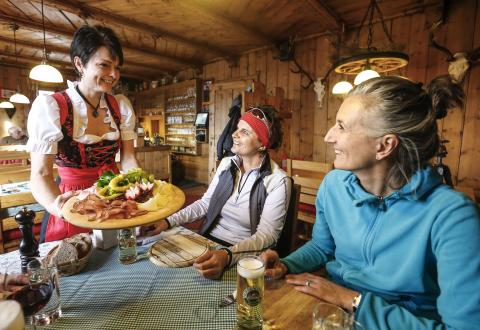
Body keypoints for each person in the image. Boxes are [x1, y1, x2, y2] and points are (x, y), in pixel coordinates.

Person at [261, 75, 480, 329]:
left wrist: (352, 300)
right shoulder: (333, 186)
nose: (329, 136)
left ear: (385, 145)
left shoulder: (455, 216)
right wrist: (286, 264)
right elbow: (322, 247)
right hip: (331, 312)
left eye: (341, 127)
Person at [27, 25, 139, 242]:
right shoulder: (53, 107)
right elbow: (40, 174)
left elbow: (128, 158)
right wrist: (58, 208)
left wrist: (138, 184)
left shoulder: (120, 106)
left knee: (120, 257)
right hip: (72, 199)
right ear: (79, 63)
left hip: (113, 195)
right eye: (104, 65)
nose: (114, 75)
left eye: (117, 67)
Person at [152, 105, 291, 279]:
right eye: (237, 128)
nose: (234, 134)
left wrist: (227, 256)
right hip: (206, 241)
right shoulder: (227, 164)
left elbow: (267, 237)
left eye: (245, 132)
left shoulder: (278, 181)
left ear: (262, 144)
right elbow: (205, 204)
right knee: (159, 269)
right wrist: (168, 221)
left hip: (242, 255)